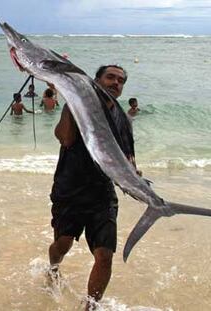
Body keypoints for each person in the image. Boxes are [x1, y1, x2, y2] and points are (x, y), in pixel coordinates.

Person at [48, 65, 140, 309]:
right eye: (110, 77)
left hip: (102, 194)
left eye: (121, 80)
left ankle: (90, 306)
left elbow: (128, 159)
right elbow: (65, 138)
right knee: (62, 245)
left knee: (105, 256)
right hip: (70, 190)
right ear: (96, 80)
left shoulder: (123, 122)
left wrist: (134, 174)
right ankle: (53, 267)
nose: (115, 83)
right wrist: (70, 99)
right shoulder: (78, 107)